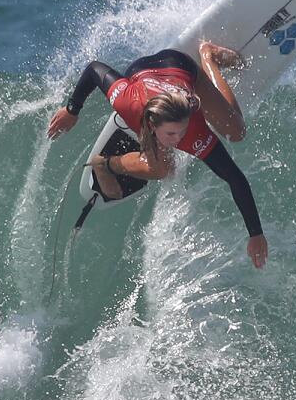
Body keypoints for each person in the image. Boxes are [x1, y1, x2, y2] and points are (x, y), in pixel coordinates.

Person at [47, 41, 269, 269]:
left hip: (180, 66)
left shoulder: (193, 131)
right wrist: (72, 110)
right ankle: (103, 165)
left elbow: (234, 177)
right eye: (172, 134)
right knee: (162, 169)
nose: (179, 139)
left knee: (236, 132)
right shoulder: (127, 101)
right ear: (152, 125)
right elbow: (94, 69)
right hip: (139, 73)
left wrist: (255, 233)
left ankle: (209, 56)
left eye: (182, 131)